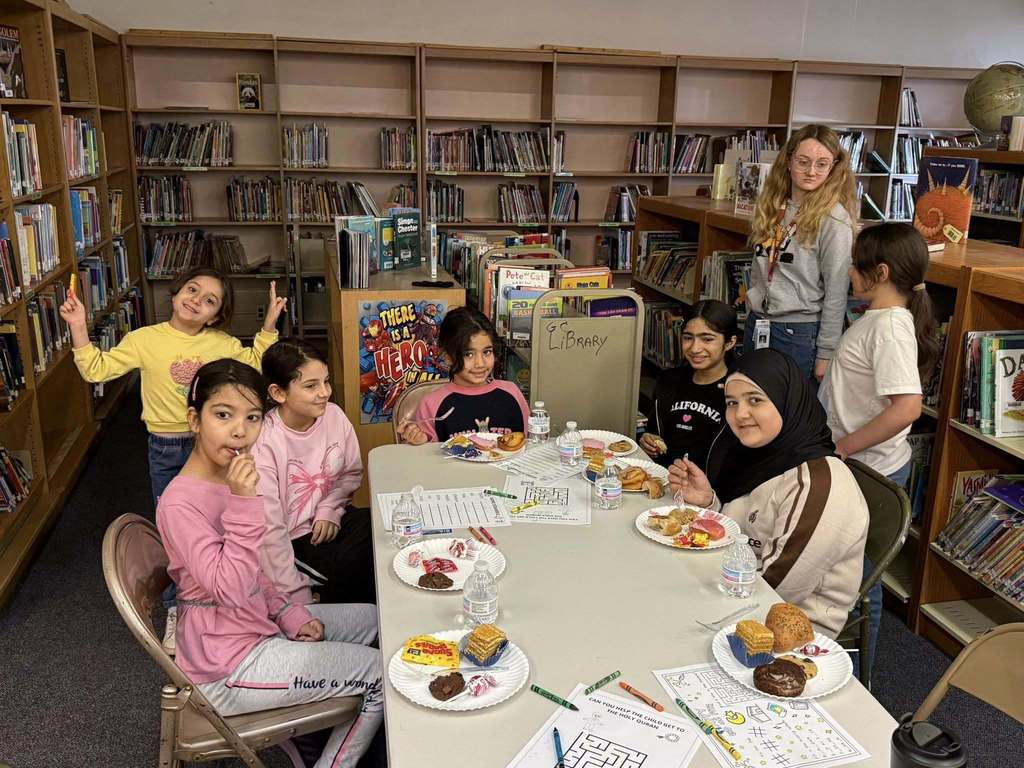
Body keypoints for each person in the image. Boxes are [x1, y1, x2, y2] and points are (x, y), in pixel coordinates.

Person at [156, 359, 382, 768]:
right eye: (223, 415)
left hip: (259, 626)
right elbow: (231, 588)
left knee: (377, 620)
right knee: (380, 676)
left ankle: (315, 735)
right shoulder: (179, 502)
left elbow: (259, 570)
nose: (240, 431)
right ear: (194, 419)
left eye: (252, 418)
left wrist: (288, 612)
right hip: (226, 664)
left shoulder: (230, 475)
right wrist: (245, 503)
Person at [668, 349, 868, 638]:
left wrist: (687, 597)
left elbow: (776, 589)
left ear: (788, 401)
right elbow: (746, 535)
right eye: (732, 402)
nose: (740, 414)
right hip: (733, 595)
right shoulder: (761, 455)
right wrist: (709, 503)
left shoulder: (820, 485)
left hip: (782, 634)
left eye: (755, 400)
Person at [61, 266, 287, 504]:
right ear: (176, 293)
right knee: (169, 506)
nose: (196, 300)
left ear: (215, 316)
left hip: (208, 439)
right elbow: (96, 370)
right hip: (164, 445)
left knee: (214, 503)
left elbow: (256, 365)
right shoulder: (143, 339)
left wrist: (269, 325)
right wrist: (77, 326)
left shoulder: (222, 343)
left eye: (209, 300)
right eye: (192, 290)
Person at [819, 222, 938, 675]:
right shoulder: (879, 321)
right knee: (848, 573)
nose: (850, 272)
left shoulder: (888, 328)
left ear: (881, 271)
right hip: (858, 465)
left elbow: (907, 407)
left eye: (858, 266)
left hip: (870, 471)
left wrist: (844, 447)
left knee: (860, 580)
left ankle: (859, 681)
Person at [255, 338, 371, 606]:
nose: (325, 393)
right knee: (351, 567)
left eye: (326, 381)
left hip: (330, 520)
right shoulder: (264, 440)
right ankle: (339, 625)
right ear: (278, 393)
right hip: (291, 540)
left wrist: (330, 509)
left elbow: (350, 473)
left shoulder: (334, 416)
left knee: (381, 533)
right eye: (311, 386)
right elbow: (269, 530)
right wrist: (294, 594)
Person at [745, 124, 858, 382]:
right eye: (803, 161)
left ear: (833, 166)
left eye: (821, 164)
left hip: (798, 331)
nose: (811, 171)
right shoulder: (771, 206)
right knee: (754, 407)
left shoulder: (834, 220)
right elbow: (759, 267)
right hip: (758, 323)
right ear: (788, 160)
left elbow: (837, 292)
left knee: (790, 416)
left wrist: (826, 353)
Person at [397, 306, 529, 444]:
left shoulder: (511, 393)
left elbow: (530, 446)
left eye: (487, 352)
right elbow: (425, 456)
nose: (480, 363)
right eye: (468, 354)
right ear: (448, 357)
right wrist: (417, 439)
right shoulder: (431, 404)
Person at [640, 299, 737, 472]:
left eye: (707, 339)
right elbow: (654, 431)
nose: (694, 348)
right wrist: (648, 440)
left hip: (709, 491)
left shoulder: (738, 392)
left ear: (729, 343)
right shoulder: (669, 380)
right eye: (687, 338)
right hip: (663, 478)